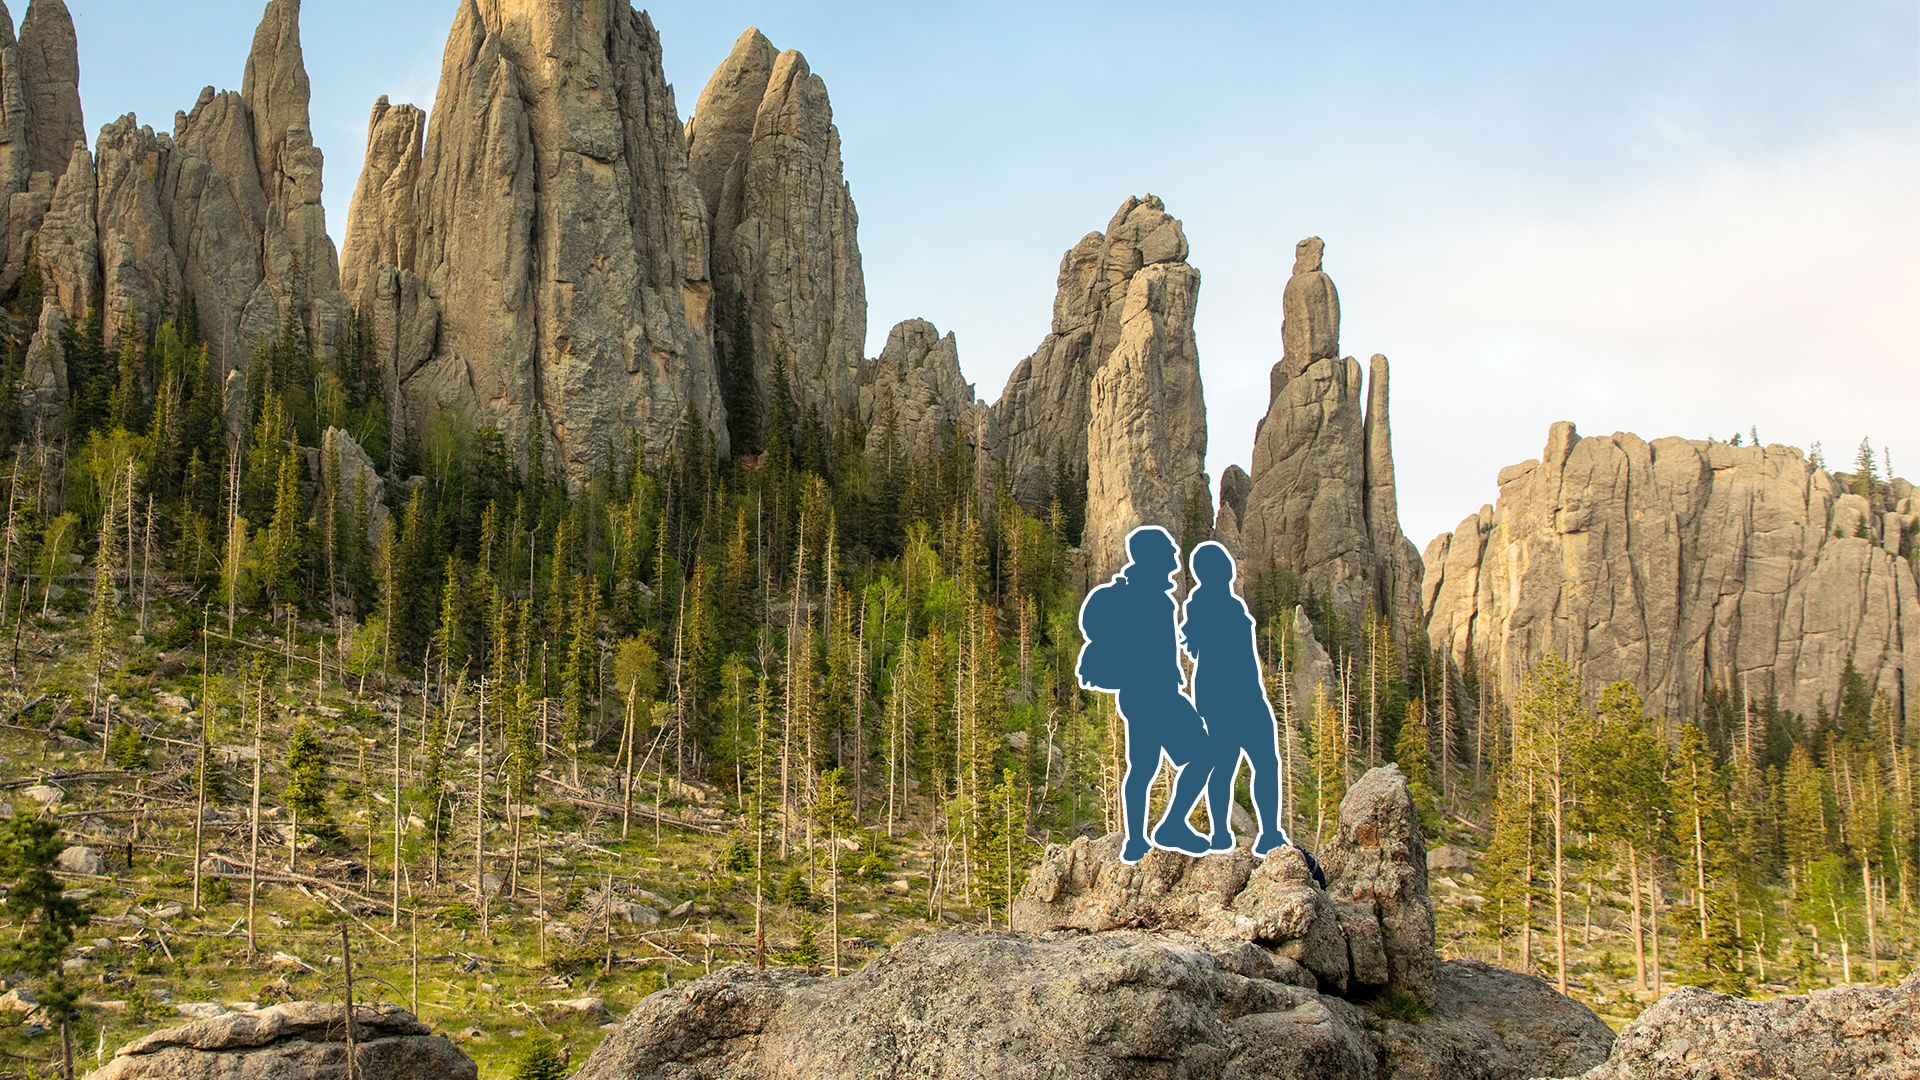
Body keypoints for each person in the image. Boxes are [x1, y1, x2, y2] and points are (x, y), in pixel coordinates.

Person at [1078, 526, 1210, 863]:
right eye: (1168, 550)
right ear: (1152, 556)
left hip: (1143, 694)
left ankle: (1139, 839)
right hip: (1155, 692)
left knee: (1143, 768)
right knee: (1201, 755)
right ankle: (1168, 827)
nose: (1174, 556)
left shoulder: (1151, 595)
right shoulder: (1147, 596)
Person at [1174, 541, 1292, 857]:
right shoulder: (1209, 605)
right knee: (1253, 764)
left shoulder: (1222, 605)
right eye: (1222, 563)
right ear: (1212, 571)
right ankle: (1248, 833)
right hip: (1232, 700)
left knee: (1242, 766)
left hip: (1234, 698)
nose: (1229, 568)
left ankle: (1234, 834)